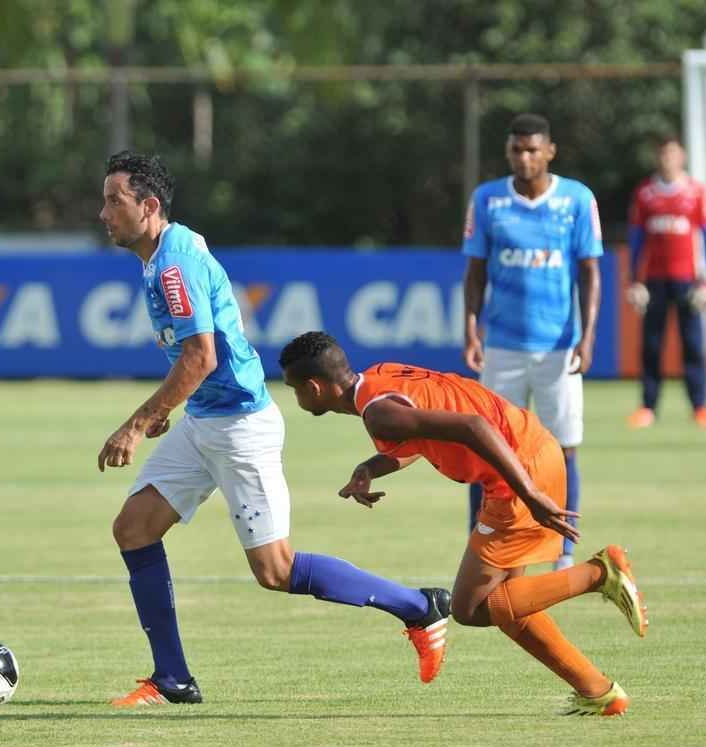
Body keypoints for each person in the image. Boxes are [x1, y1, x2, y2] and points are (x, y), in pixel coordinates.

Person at [96, 151, 451, 707]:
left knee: (276, 570)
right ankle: (172, 679)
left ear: (149, 206)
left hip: (240, 427)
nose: (104, 213)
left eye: (114, 201)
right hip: (207, 420)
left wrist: (138, 424)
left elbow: (201, 357)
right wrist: (170, 410)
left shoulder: (172, 266)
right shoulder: (164, 253)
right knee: (134, 528)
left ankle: (418, 607)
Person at [278, 331, 647, 716]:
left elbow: (473, 427)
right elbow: (420, 434)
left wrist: (528, 492)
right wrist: (369, 468)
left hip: (519, 472)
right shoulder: (379, 378)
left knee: (471, 608)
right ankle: (598, 690)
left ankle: (598, 573)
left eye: (294, 389)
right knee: (509, 603)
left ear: (315, 388)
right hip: (529, 453)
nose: (295, 396)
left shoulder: (379, 413)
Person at [461, 112, 602, 572]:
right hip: (502, 345)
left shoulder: (577, 199)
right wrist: (470, 328)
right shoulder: (487, 200)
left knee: (563, 447)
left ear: (549, 151)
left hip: (559, 346)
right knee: (488, 447)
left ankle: (563, 550)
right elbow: (475, 270)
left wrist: (587, 335)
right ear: (508, 153)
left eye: (532, 149)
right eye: (517, 150)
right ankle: (480, 541)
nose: (524, 158)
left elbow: (589, 272)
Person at [625, 136, 706, 429]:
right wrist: (633, 279)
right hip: (654, 280)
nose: (668, 160)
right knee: (651, 345)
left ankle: (700, 406)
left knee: (692, 344)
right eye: (664, 155)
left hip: (688, 279)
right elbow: (637, 237)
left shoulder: (696, 191)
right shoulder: (645, 193)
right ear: (659, 158)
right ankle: (648, 407)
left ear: (683, 158)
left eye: (673, 155)